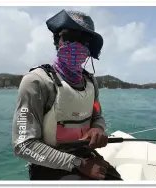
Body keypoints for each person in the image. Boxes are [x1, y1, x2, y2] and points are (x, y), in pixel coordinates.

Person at [12, 9, 122, 180]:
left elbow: (97, 115)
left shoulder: (91, 82)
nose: (76, 45)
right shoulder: (36, 82)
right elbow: (23, 145)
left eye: (83, 40)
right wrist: (79, 164)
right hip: (48, 163)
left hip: (87, 155)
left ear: (89, 49)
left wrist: (98, 128)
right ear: (57, 41)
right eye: (69, 37)